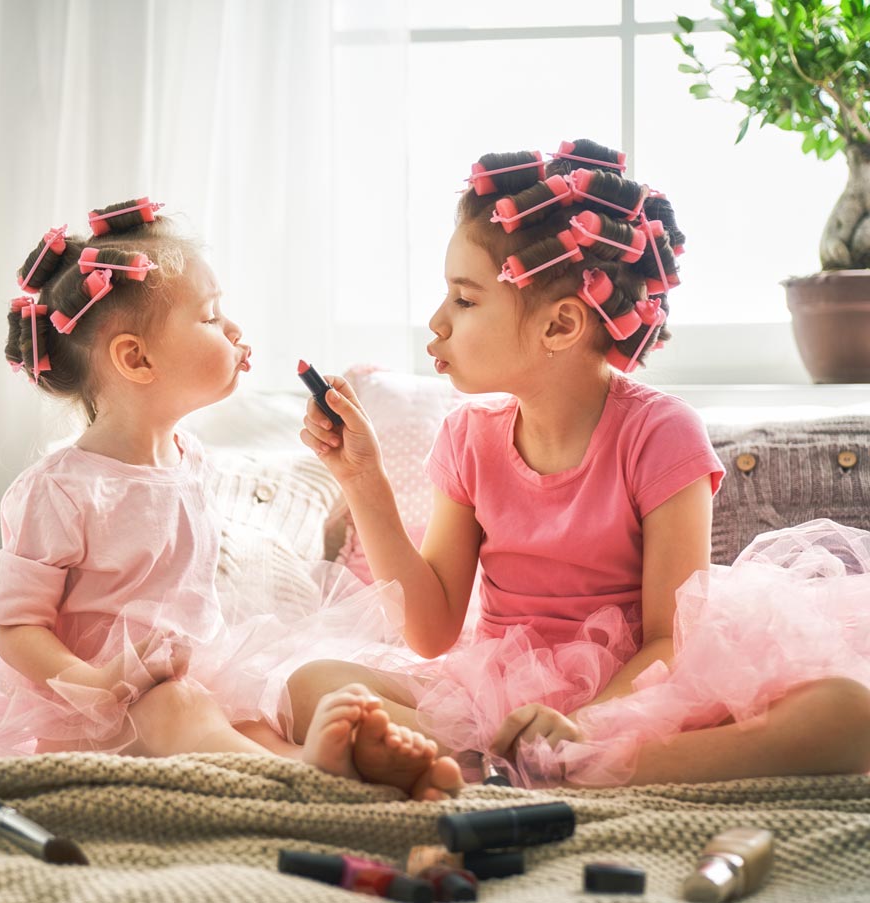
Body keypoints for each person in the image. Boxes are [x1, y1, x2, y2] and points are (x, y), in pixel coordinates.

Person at [0, 199, 463, 801]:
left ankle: (326, 755)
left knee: (273, 697)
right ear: (136, 359)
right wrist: (96, 685)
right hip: (103, 712)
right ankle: (297, 776)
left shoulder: (191, 458)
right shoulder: (63, 488)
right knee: (182, 712)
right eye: (211, 317)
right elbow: (16, 628)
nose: (234, 328)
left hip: (189, 677)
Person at [287, 140, 870, 788]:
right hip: (499, 694)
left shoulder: (660, 433)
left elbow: (670, 641)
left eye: (465, 299)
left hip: (639, 688)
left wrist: (587, 725)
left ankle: (615, 764)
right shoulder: (467, 439)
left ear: (560, 326)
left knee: (848, 712)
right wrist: (360, 478)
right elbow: (430, 629)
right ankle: (511, 759)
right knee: (312, 685)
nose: (437, 320)